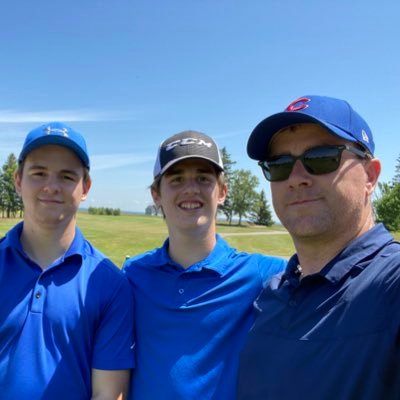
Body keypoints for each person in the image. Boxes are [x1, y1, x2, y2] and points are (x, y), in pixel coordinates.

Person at [237, 95, 400, 399]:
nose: (296, 179)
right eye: (280, 164)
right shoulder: (270, 296)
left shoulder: (390, 285)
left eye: (322, 157)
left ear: (370, 176)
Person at [122, 130, 286, 399]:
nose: (190, 189)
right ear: (156, 194)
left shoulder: (260, 274)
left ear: (222, 191)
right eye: (176, 179)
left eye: (203, 178)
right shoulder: (133, 274)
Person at [0, 122, 135, 399]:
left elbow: (108, 394)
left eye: (66, 176)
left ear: (85, 187)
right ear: (18, 180)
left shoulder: (109, 283)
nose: (51, 186)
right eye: (39, 173)